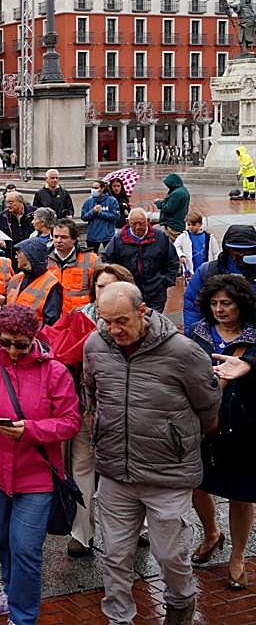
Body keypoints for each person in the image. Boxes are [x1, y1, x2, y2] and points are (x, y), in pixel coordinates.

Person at [83, 281, 221, 625]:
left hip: (168, 474)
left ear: (142, 311)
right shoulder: (95, 344)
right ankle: (119, 617)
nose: (113, 330)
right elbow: (92, 395)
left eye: (122, 321)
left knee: (171, 555)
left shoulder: (184, 352)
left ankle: (180, 606)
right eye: (106, 321)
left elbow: (208, 408)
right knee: (114, 555)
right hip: (115, 470)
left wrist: (176, 439)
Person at [0, 305, 80, 625]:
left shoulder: (55, 372)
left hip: (37, 477)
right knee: (1, 541)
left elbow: (70, 422)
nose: (12, 351)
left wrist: (29, 430)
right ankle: (11, 589)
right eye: (5, 342)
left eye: (20, 345)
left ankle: (23, 618)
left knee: (26, 549)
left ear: (34, 338)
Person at [185, 274, 256, 589]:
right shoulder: (197, 334)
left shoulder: (254, 336)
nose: (219, 309)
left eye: (226, 303)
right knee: (196, 484)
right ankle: (212, 532)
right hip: (204, 424)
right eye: (214, 303)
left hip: (245, 425)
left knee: (242, 493)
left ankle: (238, 556)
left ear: (241, 303)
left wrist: (248, 366)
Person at [64, 264, 135, 558]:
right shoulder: (78, 316)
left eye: (112, 285)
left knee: (127, 468)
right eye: (100, 286)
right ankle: (82, 533)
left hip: (123, 409)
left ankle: (140, 528)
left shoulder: (137, 319)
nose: (104, 291)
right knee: (82, 466)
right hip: (85, 405)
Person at [100, 208, 180, 312]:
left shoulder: (160, 237)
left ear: (148, 221)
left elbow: (172, 260)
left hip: (156, 291)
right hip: (128, 292)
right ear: (128, 222)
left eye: (141, 223)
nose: (138, 227)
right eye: (133, 224)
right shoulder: (119, 239)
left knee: (153, 320)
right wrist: (117, 281)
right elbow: (106, 259)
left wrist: (166, 281)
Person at [182, 224, 256, 332]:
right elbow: (192, 305)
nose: (241, 254)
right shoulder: (208, 271)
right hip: (216, 335)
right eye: (236, 250)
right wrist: (192, 335)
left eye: (246, 250)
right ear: (228, 249)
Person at [174, 211, 220, 281]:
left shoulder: (209, 237)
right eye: (189, 225)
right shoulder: (184, 236)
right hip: (190, 272)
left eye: (194, 224)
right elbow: (176, 246)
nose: (191, 227)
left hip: (206, 272)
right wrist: (181, 255)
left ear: (200, 224)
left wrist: (214, 267)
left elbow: (216, 253)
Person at [81, 180, 121, 253]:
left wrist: (100, 213)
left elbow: (116, 216)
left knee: (111, 257)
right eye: (92, 187)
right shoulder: (88, 201)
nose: (93, 190)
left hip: (108, 236)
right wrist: (93, 212)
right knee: (90, 258)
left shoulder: (112, 200)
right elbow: (83, 217)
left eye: (96, 188)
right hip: (92, 236)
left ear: (102, 189)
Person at [154, 172, 190, 239]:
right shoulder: (181, 190)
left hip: (172, 225)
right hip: (177, 223)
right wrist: (163, 201)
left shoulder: (177, 193)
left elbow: (168, 208)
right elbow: (173, 204)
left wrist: (158, 203)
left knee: (157, 234)